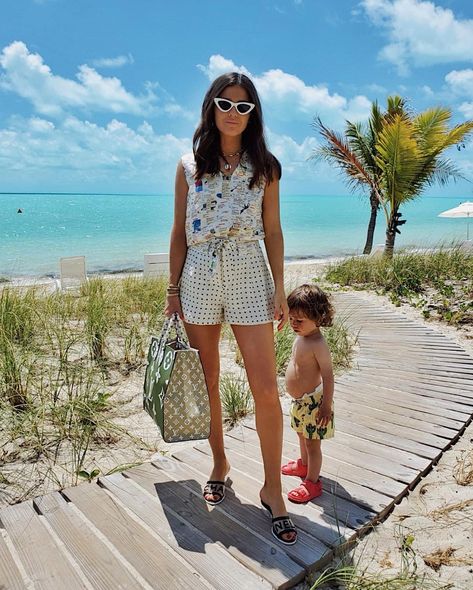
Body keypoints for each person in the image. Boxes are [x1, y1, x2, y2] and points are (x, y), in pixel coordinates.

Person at [164, 72, 297, 545]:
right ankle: (220, 462)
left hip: (248, 269)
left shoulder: (267, 166)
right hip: (198, 273)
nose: (234, 114)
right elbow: (179, 232)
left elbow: (275, 230)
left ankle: (272, 489)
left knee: (265, 386)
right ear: (212, 107)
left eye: (244, 107)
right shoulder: (187, 165)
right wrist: (172, 290)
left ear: (254, 112)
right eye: (226, 103)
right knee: (209, 381)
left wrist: (280, 288)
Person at [281, 284, 335, 502]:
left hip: (315, 403)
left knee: (313, 443)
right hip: (300, 402)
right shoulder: (301, 337)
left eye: (299, 320)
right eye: (292, 319)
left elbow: (329, 376)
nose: (294, 324)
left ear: (318, 317)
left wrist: (326, 406)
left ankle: (313, 482)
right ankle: (304, 466)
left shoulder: (318, 343)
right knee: (301, 435)